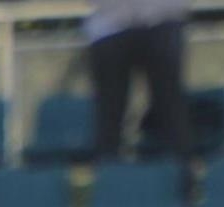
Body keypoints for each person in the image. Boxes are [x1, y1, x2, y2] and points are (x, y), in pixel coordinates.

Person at [83, 0, 196, 157]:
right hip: (109, 26)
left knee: (170, 109)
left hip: (163, 21)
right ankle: (108, 171)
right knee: (109, 115)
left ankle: (181, 171)